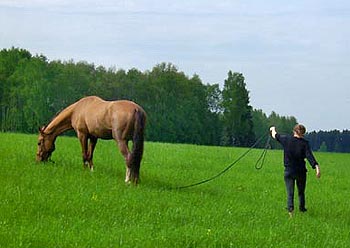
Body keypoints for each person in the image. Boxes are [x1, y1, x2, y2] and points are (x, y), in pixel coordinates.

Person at [270, 124, 321, 216]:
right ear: (303, 133)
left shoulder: (286, 139)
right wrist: (316, 167)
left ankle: (291, 212)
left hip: (288, 171)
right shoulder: (305, 143)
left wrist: (272, 129)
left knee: (290, 193)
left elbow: (275, 135)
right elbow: (310, 157)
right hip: (301, 172)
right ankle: (302, 209)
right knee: (301, 192)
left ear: (294, 131)